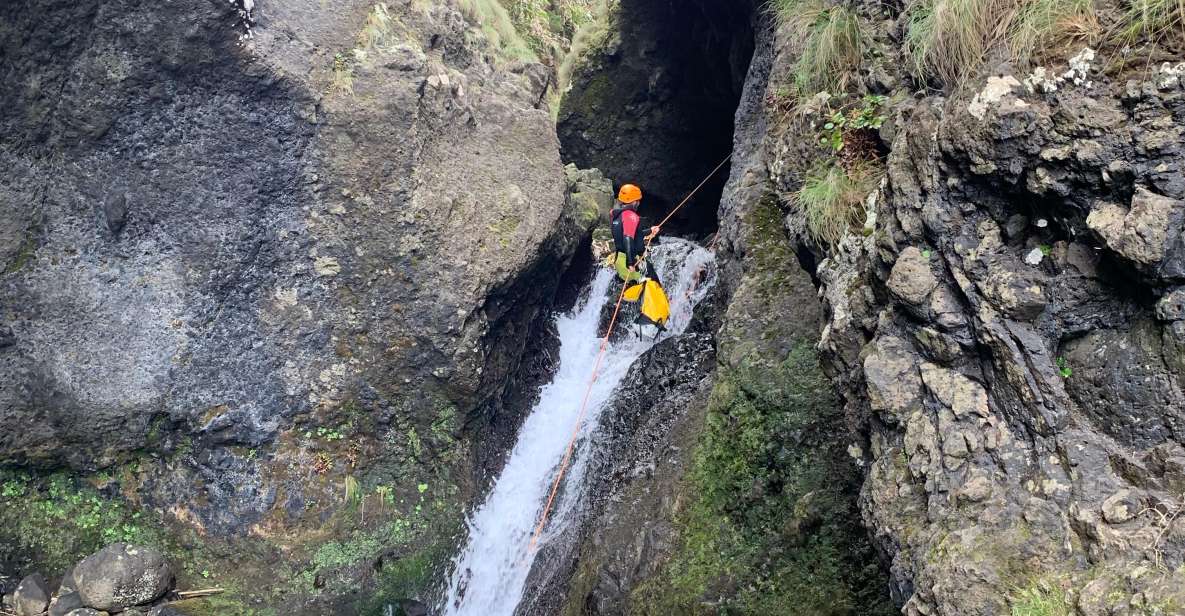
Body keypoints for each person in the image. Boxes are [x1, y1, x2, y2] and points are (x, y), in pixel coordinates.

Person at [609, 183, 660, 283]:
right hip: (631, 262)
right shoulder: (631, 216)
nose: (639, 203)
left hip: (619, 260)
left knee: (633, 290)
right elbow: (628, 238)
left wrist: (650, 230)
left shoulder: (615, 215)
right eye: (638, 201)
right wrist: (630, 263)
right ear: (634, 202)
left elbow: (632, 233)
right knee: (653, 282)